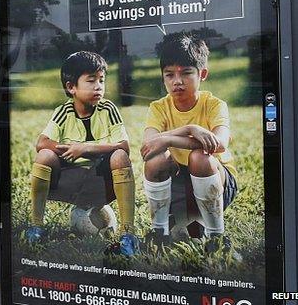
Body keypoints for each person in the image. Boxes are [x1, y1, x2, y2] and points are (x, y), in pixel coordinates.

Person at [25, 51, 139, 256]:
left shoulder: (108, 109)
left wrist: (85, 148)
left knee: (120, 156)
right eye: (91, 80)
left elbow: (124, 145)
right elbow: (42, 143)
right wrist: (69, 149)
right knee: (44, 156)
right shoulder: (63, 111)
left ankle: (128, 234)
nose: (98, 86)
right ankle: (36, 227)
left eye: (101, 80)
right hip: (72, 182)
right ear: (71, 87)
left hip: (101, 182)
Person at [140, 32, 238, 255]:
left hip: (217, 181)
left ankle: (216, 236)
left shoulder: (214, 105)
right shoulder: (158, 107)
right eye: (169, 75)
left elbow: (219, 144)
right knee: (155, 160)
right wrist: (189, 129)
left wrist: (167, 138)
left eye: (186, 73)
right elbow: (148, 148)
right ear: (163, 77)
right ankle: (159, 233)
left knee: (200, 156)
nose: (177, 81)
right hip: (178, 182)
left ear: (202, 74)